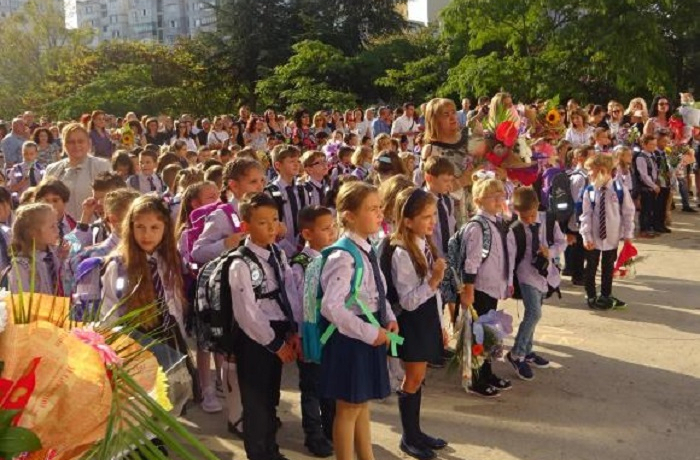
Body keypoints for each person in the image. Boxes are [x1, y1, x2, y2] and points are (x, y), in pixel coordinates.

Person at [318, 181, 398, 460]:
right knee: (348, 409)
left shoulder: (366, 247)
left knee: (361, 404)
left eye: (380, 208)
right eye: (371, 209)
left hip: (367, 332)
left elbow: (377, 289)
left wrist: (389, 316)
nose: (379, 214)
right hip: (350, 339)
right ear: (350, 216)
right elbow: (331, 307)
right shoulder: (343, 255)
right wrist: (369, 332)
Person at [230, 193, 300, 460]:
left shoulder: (277, 253)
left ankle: (271, 450)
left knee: (270, 397)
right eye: (262, 222)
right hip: (256, 339)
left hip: (279, 331)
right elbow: (247, 314)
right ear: (245, 226)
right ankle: (258, 453)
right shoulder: (240, 263)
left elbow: (289, 291)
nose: (271, 227)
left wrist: (294, 330)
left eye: (275, 220)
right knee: (255, 402)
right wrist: (275, 344)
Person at [385, 187, 448, 460]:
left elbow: (432, 296)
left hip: (426, 320)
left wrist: (440, 325)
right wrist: (433, 280)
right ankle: (409, 437)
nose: (432, 221)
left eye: (433, 215)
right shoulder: (402, 252)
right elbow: (408, 301)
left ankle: (416, 432)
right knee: (412, 378)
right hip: (411, 324)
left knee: (418, 378)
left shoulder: (424, 243)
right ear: (408, 221)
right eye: (425, 217)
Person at [290, 205, 337, 458]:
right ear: (307, 233)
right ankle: (314, 435)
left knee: (331, 385)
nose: (332, 232)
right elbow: (298, 306)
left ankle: (332, 429)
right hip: (311, 334)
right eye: (325, 228)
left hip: (333, 333)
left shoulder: (335, 257)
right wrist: (299, 336)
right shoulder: (301, 264)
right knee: (311, 388)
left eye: (333, 227)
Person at [506, 187, 566, 380]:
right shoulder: (515, 230)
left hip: (545, 275)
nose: (529, 220)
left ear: (537, 206)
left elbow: (561, 242)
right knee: (534, 313)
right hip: (526, 275)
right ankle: (517, 353)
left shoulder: (549, 220)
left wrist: (550, 252)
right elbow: (510, 259)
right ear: (516, 212)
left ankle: (527, 350)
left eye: (532, 215)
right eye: (524, 217)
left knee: (534, 313)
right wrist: (508, 283)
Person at [460, 176, 512, 397]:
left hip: (492, 287)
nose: (499, 200)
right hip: (480, 288)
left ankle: (486, 372)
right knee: (478, 334)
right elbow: (471, 262)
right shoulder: (477, 227)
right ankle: (475, 377)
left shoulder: (496, 222)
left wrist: (506, 282)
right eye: (493, 197)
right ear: (479, 200)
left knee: (489, 332)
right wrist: (469, 289)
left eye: (501, 195)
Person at [69, 189, 140, 320]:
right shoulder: (93, 258)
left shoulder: (146, 250)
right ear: (113, 220)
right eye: (133, 219)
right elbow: (86, 310)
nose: (139, 224)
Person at [580, 154, 635, 310]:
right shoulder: (590, 191)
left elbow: (628, 213)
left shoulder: (619, 189)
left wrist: (628, 235)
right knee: (591, 267)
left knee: (608, 267)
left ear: (603, 170)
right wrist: (586, 236)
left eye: (591, 170)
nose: (588, 174)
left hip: (612, 237)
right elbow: (586, 215)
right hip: (593, 237)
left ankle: (606, 294)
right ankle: (591, 295)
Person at [44, 123, 112, 221]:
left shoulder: (102, 166)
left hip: (94, 226)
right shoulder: (52, 169)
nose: (76, 145)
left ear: (89, 143)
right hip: (61, 227)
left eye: (80, 141)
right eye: (71, 142)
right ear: (64, 144)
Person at [7, 203, 63, 295]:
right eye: (52, 226)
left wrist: (64, 260)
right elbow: (21, 299)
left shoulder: (56, 255)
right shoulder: (22, 266)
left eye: (56, 224)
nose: (58, 230)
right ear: (33, 233)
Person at [265, 145, 307, 257]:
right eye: (291, 161)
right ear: (278, 165)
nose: (296, 164)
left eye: (298, 161)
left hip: (302, 247)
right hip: (280, 250)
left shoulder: (302, 189)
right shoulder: (270, 192)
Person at [634, 135, 660, 238]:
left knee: (650, 209)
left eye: (654, 144)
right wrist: (653, 186)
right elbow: (644, 175)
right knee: (645, 209)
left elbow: (654, 170)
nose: (654, 147)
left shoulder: (652, 155)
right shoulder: (641, 157)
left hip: (652, 185)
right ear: (644, 145)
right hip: (645, 187)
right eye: (651, 144)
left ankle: (649, 228)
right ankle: (643, 230)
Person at [35, 179, 76, 243]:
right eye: (46, 201)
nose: (51, 205)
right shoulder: (35, 229)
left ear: (64, 202)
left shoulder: (73, 225)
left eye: (55, 200)